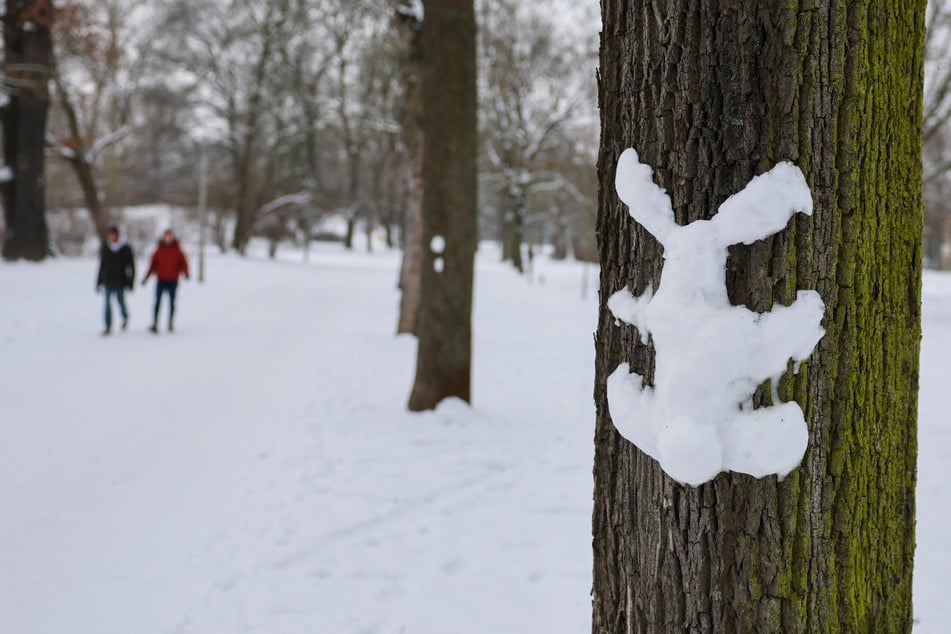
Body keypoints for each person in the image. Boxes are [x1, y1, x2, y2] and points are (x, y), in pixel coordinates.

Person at [142, 229, 189, 333]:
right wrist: (146, 277)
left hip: (173, 280)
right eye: (166, 236)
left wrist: (186, 273)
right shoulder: (158, 251)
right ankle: (155, 323)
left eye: (169, 236)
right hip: (161, 280)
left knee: (172, 302)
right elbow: (152, 266)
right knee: (157, 302)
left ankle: (170, 323)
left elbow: (183, 263)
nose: (168, 238)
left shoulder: (178, 251)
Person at [96, 226, 135, 336]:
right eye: (110, 235)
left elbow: (131, 267)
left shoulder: (126, 248)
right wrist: (99, 282)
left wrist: (131, 282)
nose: (111, 237)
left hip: (120, 281)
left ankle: (125, 316)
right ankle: (108, 326)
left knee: (120, 301)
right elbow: (102, 266)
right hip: (108, 280)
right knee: (107, 304)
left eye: (113, 234)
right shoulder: (106, 248)